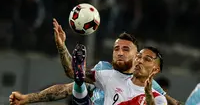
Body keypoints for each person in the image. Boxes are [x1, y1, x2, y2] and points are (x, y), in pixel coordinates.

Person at [9, 19, 178, 105]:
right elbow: (67, 84)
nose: (119, 53)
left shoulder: (152, 88)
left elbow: (174, 103)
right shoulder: (105, 72)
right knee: (78, 82)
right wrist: (62, 47)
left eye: (126, 49)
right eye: (116, 49)